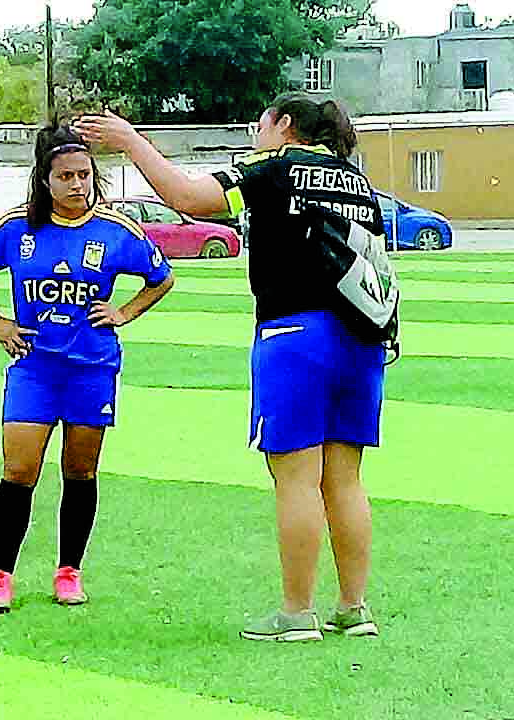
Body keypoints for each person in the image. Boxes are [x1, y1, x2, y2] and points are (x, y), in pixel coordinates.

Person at [75, 94, 384, 642]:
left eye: (260, 122)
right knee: (345, 478)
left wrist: (129, 142)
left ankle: (295, 613)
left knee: (295, 478)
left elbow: (191, 199)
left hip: (295, 335)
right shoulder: (357, 183)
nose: (256, 133)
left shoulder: (275, 168)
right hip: (362, 341)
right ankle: (353, 607)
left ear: (284, 125)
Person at [0, 121, 175, 613]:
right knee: (19, 469)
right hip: (34, 368)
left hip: (92, 367)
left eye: (84, 176)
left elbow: (161, 278)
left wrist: (124, 312)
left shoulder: (117, 231)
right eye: (66, 177)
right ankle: (0, 577)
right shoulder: (15, 227)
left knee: (80, 471)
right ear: (45, 181)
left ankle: (68, 571)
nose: (78, 186)